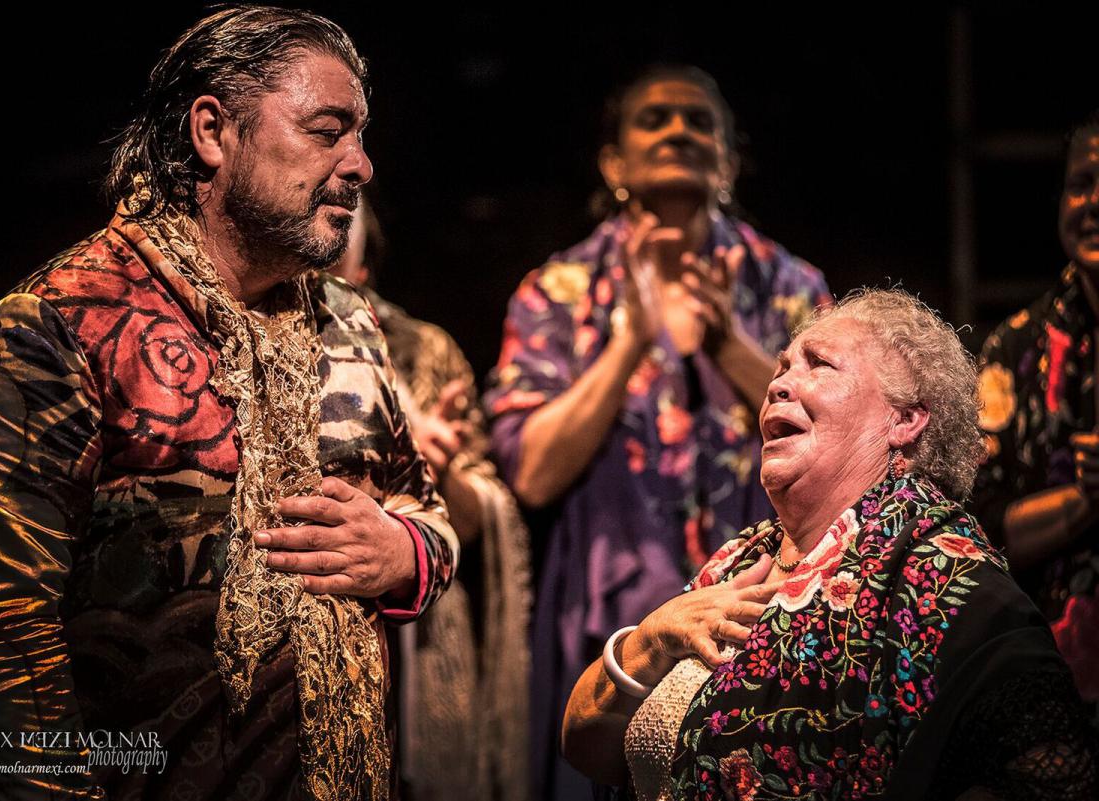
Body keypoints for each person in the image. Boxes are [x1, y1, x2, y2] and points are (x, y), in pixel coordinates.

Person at [0, 7, 457, 800]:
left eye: (360, 135)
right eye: (327, 131)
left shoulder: (350, 323)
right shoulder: (57, 325)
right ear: (213, 131)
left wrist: (401, 550)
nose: (360, 165)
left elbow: (429, 514)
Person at [562, 289, 1096, 801]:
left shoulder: (941, 577)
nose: (778, 384)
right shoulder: (740, 559)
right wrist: (652, 638)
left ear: (905, 419)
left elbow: (1052, 773)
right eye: (782, 368)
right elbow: (584, 745)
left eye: (818, 364)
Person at [482, 64, 829, 799]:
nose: (678, 131)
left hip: (763, 611)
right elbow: (533, 475)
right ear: (613, 163)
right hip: (609, 616)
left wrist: (732, 347)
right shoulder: (559, 291)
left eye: (700, 121)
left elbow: (843, 445)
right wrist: (628, 345)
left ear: (728, 159)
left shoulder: (791, 287)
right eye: (654, 119)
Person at [330, 202, 531, 801]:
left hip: (418, 637)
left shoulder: (421, 349)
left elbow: (481, 517)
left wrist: (428, 469)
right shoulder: (233, 324)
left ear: (362, 269)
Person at [973, 111, 1099, 710]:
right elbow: (977, 533)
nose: (1093, 203)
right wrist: (1085, 499)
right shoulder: (1014, 350)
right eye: (1081, 184)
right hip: (1052, 687)